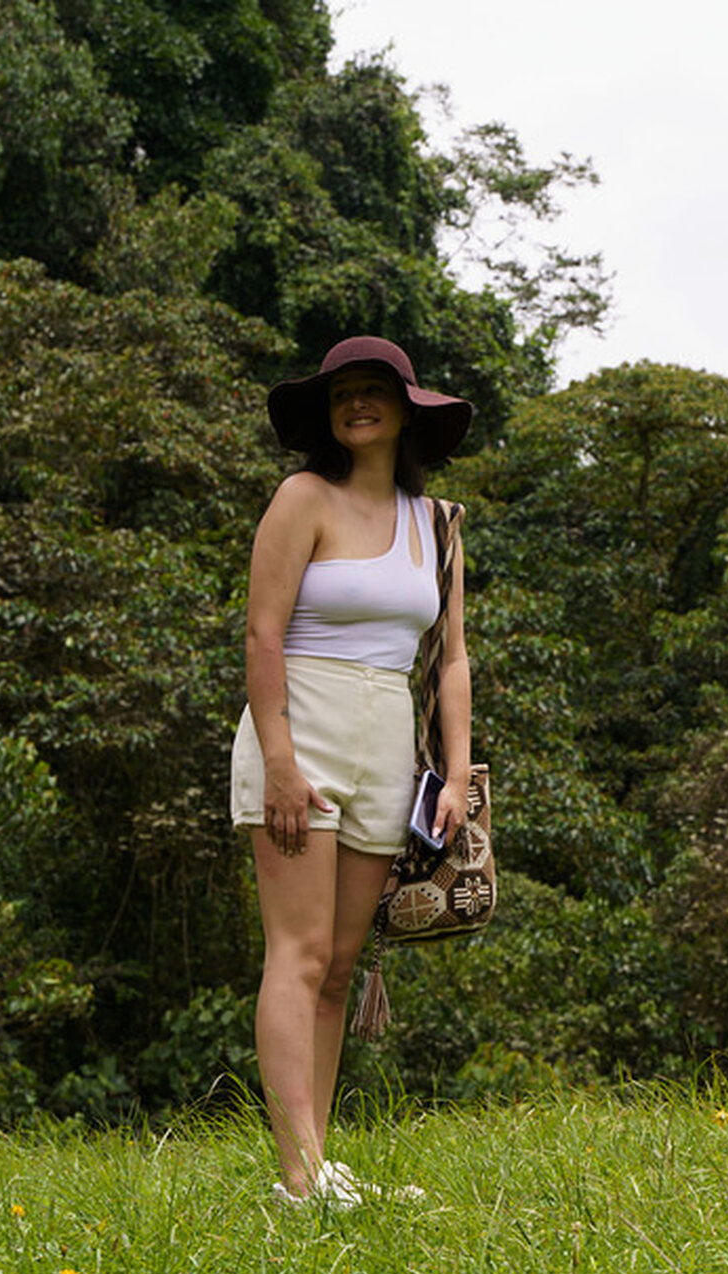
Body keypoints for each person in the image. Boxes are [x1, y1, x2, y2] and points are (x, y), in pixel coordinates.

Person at [229, 336, 473, 1207]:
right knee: (296, 955)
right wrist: (280, 762)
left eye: (375, 390)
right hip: (302, 726)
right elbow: (262, 634)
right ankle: (298, 1178)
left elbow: (451, 657)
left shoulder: (436, 522)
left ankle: (318, 1162)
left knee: (338, 964)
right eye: (342, 393)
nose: (357, 404)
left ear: (407, 409)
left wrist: (455, 773)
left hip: (388, 738)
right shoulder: (303, 497)